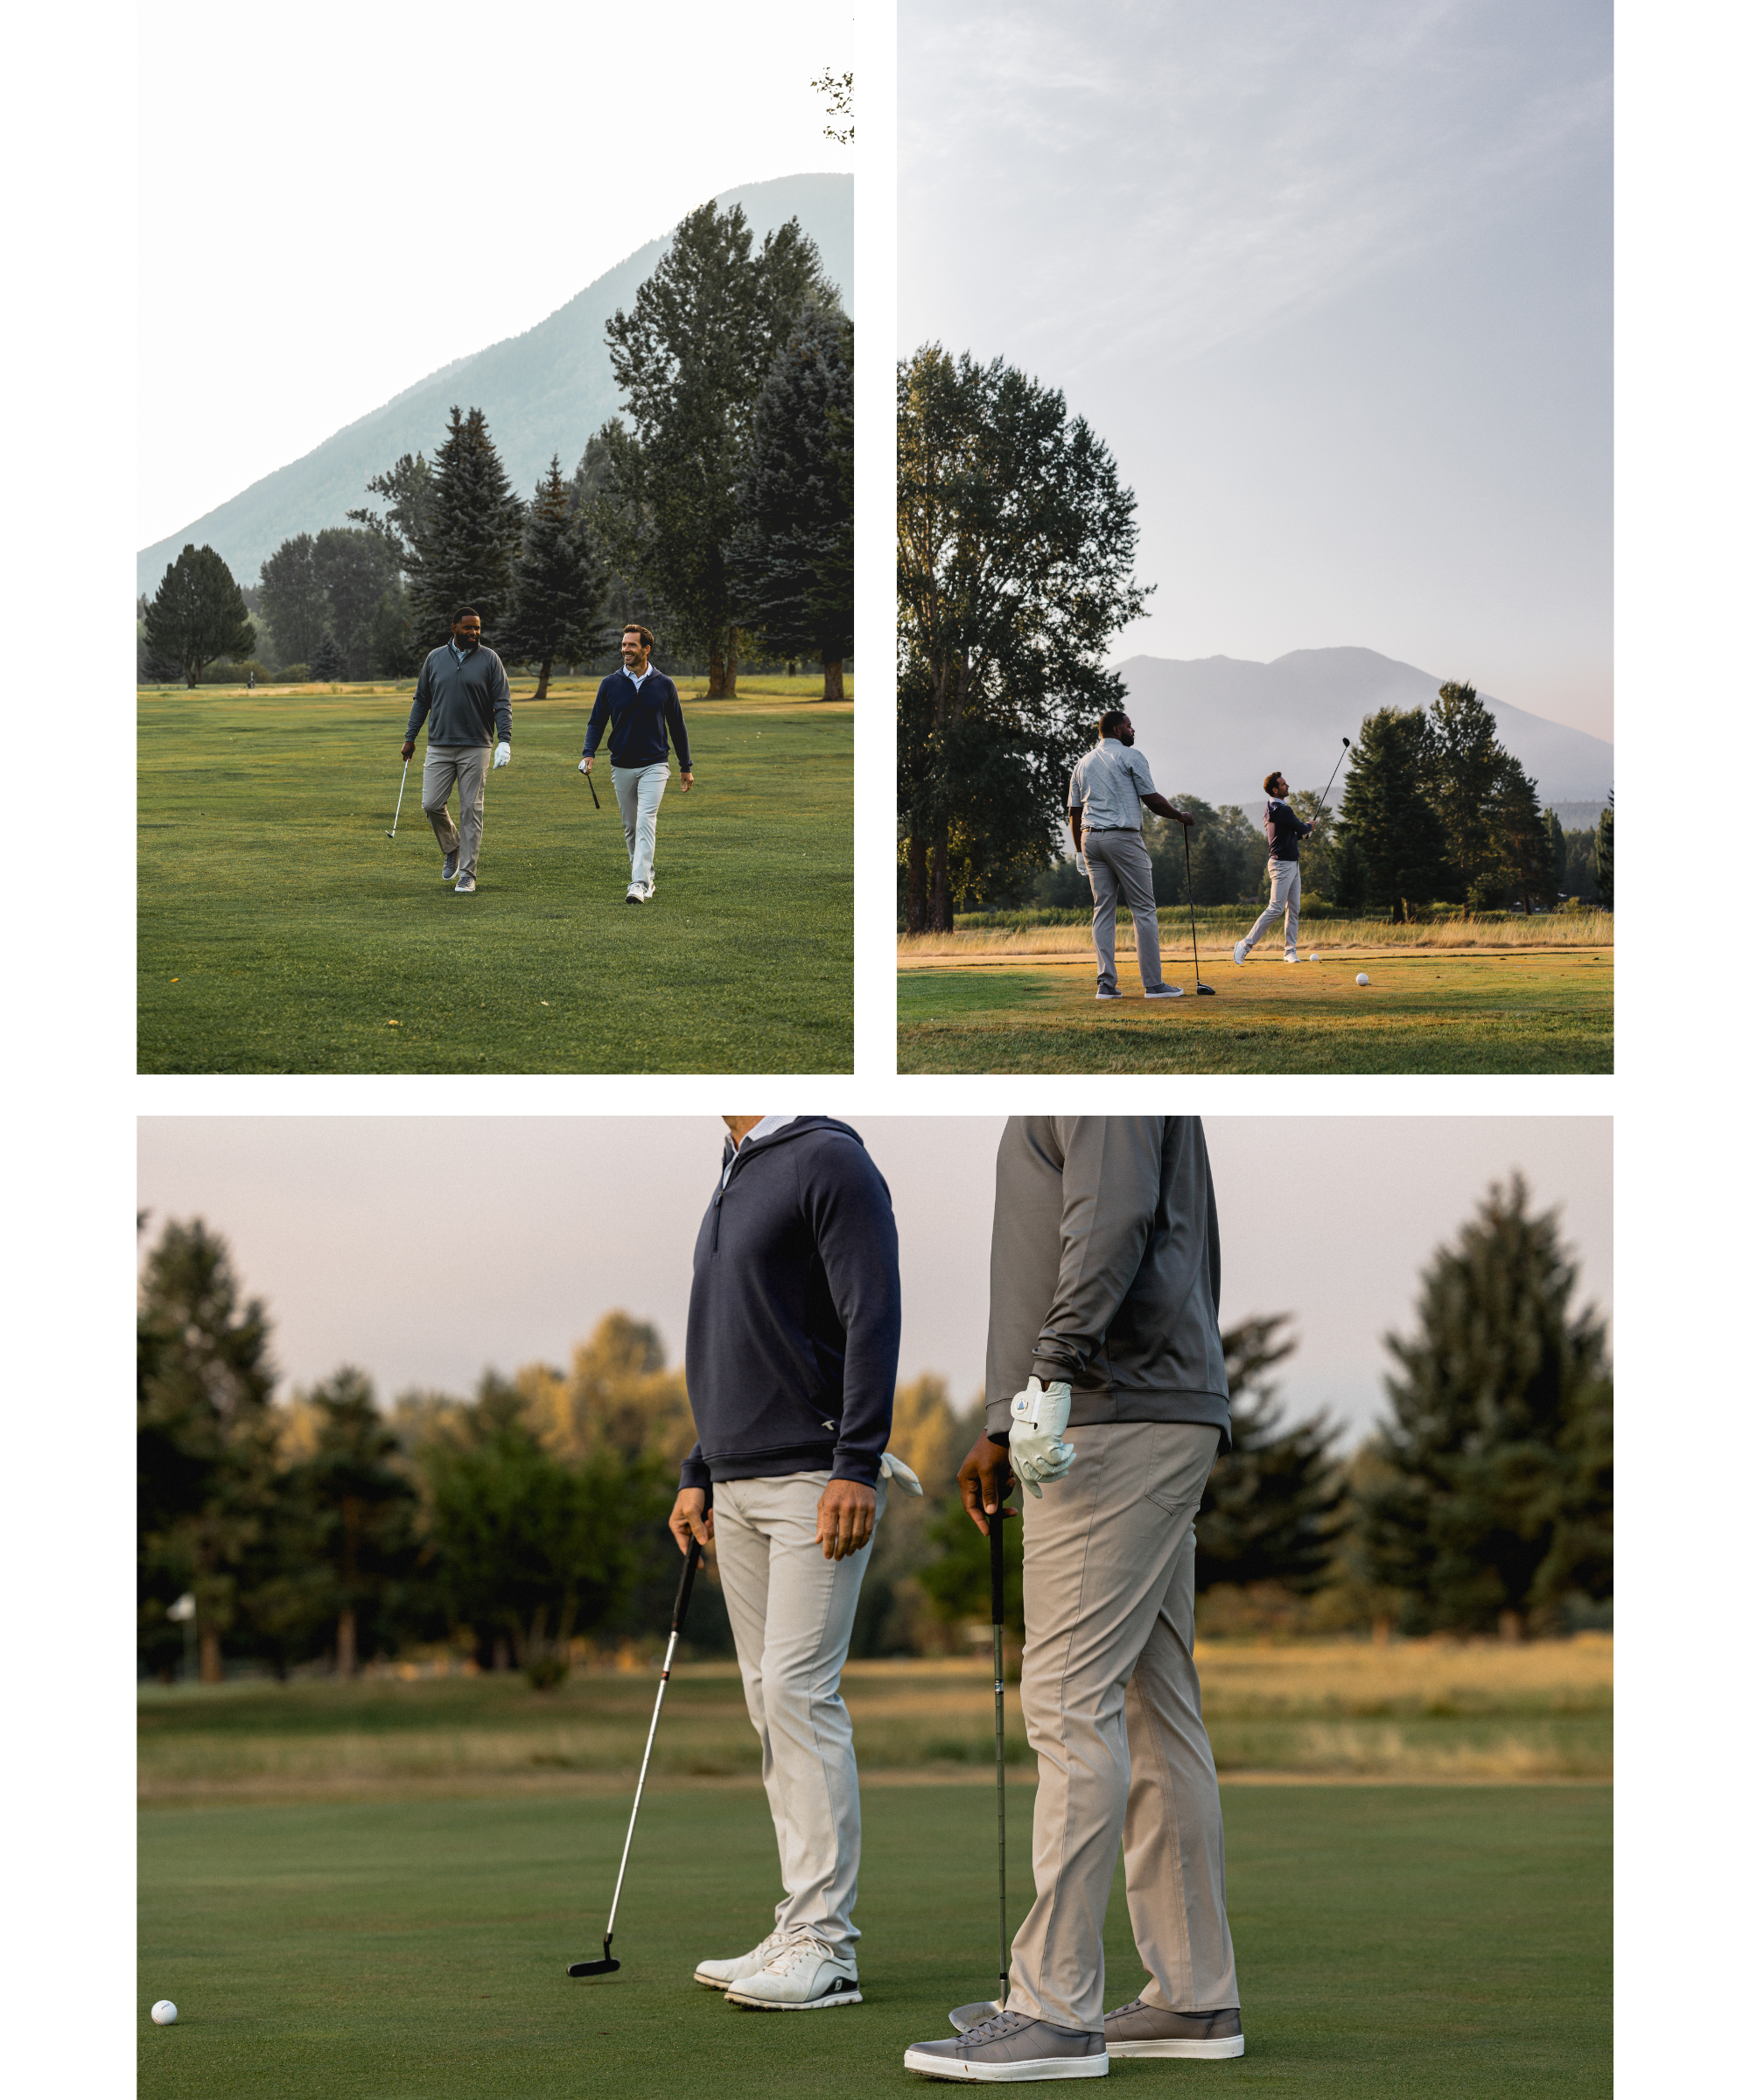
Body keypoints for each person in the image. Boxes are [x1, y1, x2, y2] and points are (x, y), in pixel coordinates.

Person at [905, 1116, 1242, 2082]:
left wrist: (1034, 1390)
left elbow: (1112, 1219)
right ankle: (1190, 1995)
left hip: (1103, 1411)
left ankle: (1051, 2010)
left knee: (1065, 1700)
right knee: (1151, 1700)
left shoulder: (1099, 1077)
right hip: (1136, 1405)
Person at [670, 1115, 912, 2012]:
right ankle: (794, 1924)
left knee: (798, 1696)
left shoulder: (827, 1159)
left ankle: (826, 1947)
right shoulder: (734, 1169)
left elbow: (870, 1310)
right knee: (767, 1703)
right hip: (732, 1480)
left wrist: (856, 1463)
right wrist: (697, 1469)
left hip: (814, 1475)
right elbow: (729, 1338)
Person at [1067, 710, 1196, 1003]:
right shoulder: (1131, 756)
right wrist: (1180, 816)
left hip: (1090, 841)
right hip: (1122, 837)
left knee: (1103, 910)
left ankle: (1106, 986)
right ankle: (1154, 986)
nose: (1133, 729)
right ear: (1116, 730)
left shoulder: (1082, 763)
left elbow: (1074, 812)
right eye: (1128, 725)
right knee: (1144, 910)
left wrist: (1078, 850)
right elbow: (1152, 800)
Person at [399, 606, 512, 896]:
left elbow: (502, 701)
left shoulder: (490, 660)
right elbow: (421, 700)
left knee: (471, 809)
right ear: (454, 629)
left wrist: (505, 740)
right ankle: (453, 847)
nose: (474, 632)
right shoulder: (435, 659)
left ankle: (468, 873)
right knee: (431, 804)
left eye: (477, 627)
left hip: (477, 745)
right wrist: (410, 737)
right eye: (468, 628)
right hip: (439, 744)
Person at [579, 623, 693, 904]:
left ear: (646, 649)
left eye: (631, 645)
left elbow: (677, 727)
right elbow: (596, 722)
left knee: (645, 821)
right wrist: (588, 752)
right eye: (623, 645)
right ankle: (646, 876)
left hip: (656, 764)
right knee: (631, 826)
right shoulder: (610, 684)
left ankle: (638, 884)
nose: (625, 650)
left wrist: (685, 766)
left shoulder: (665, 684)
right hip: (621, 765)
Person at [1234, 771, 1314, 965]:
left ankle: (1289, 951)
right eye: (1284, 784)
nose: (1288, 786)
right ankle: (1245, 944)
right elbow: (1302, 828)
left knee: (1294, 909)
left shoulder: (1270, 809)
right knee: (1276, 908)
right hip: (1282, 865)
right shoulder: (1283, 810)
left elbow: (1287, 835)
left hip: (1291, 864)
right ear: (1275, 790)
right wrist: (1309, 826)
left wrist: (1301, 834)